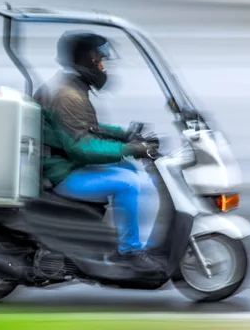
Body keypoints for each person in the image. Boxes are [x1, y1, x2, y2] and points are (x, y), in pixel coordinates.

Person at [33, 30, 161, 272]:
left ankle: (112, 238)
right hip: (62, 172)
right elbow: (83, 147)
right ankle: (130, 251)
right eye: (99, 61)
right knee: (129, 183)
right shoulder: (67, 95)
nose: (104, 68)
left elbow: (86, 127)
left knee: (127, 170)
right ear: (86, 60)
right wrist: (131, 148)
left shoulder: (68, 86)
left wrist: (122, 135)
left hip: (63, 163)